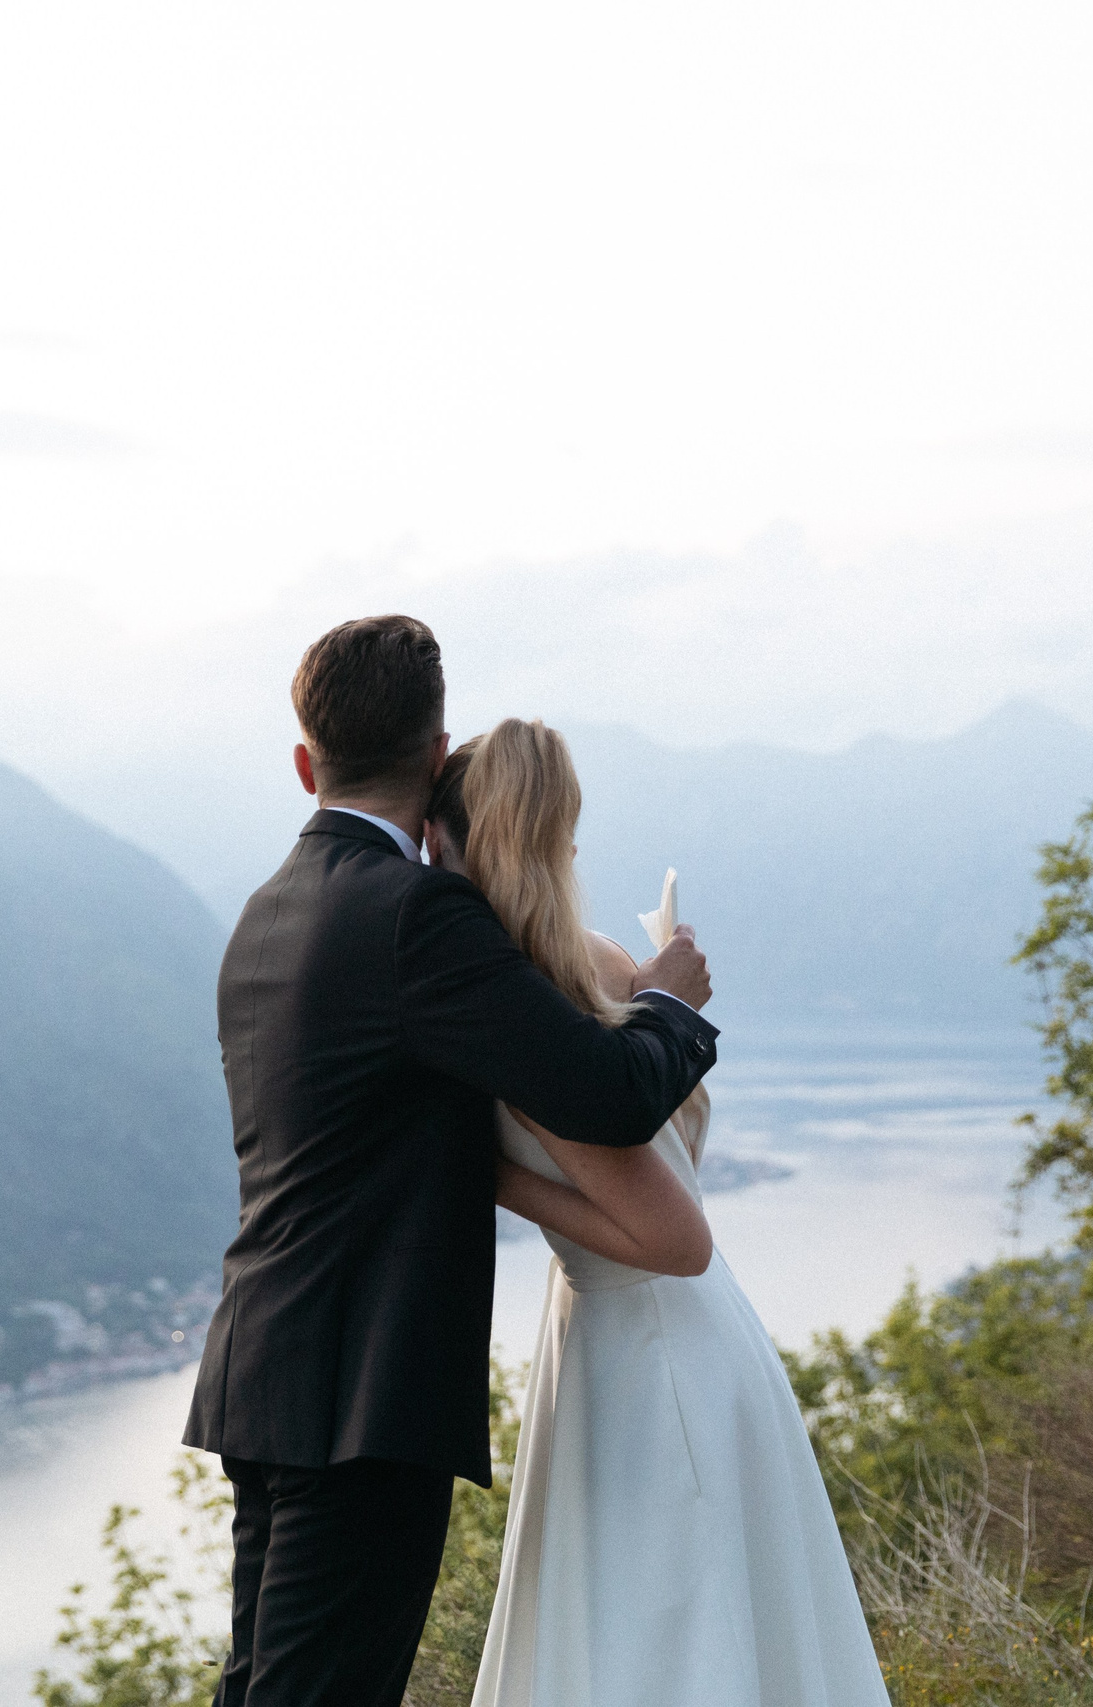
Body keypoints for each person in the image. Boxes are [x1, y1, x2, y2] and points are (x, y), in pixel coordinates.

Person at [182, 616, 718, 1707]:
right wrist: (668, 999)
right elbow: (604, 1096)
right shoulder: (416, 915)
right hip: (366, 1394)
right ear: (435, 757)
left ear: (304, 764)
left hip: (265, 1370)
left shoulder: (264, 911)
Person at [435, 720, 890, 1707]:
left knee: (667, 1643)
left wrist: (487, 1175)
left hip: (648, 1348)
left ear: (449, 839)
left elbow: (673, 1238)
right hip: (662, 1336)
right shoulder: (590, 962)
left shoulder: (520, 1001)